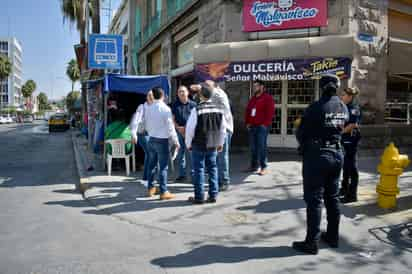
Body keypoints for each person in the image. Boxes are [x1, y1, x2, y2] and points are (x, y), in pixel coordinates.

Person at [293, 74, 349, 255]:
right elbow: (342, 127)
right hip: (337, 154)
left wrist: (304, 144)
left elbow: (301, 132)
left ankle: (312, 242)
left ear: (322, 87)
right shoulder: (343, 107)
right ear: (337, 87)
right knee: (332, 198)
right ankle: (333, 237)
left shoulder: (315, 107)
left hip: (318, 156)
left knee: (314, 200)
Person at [185, 86, 226, 204]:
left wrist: (188, 143)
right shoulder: (219, 109)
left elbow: (190, 129)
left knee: (199, 170)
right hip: (213, 143)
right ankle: (213, 195)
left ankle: (199, 196)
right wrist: (221, 142)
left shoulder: (196, 109)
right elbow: (223, 128)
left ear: (201, 95)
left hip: (199, 143)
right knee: (213, 169)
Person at [144, 87, 179, 200]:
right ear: (163, 95)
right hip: (162, 140)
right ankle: (163, 191)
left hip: (151, 138)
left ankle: (151, 188)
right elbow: (170, 127)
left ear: (153, 96)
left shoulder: (148, 108)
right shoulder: (165, 109)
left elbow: (146, 125)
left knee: (151, 165)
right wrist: (176, 141)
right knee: (163, 167)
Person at [203, 80, 234, 191]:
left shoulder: (219, 93)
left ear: (215, 86)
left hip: (224, 130)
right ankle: (218, 180)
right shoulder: (212, 95)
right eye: (204, 85)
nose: (205, 87)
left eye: (207, 85)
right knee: (216, 156)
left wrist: (199, 87)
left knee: (222, 156)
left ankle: (224, 181)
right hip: (215, 130)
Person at [244, 80, 275, 175]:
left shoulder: (267, 98)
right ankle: (254, 166)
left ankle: (263, 167)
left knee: (261, 146)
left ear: (262, 87)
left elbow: (270, 112)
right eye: (254, 86)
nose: (254, 88)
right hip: (252, 126)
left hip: (262, 126)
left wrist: (265, 124)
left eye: (256, 86)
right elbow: (248, 111)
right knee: (253, 147)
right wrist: (247, 122)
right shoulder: (253, 99)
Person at [340, 87, 361, 203]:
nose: (341, 97)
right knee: (346, 165)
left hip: (351, 138)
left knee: (351, 166)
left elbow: (352, 124)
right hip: (345, 138)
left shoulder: (354, 108)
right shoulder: (345, 106)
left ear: (350, 96)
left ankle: (352, 195)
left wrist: (340, 132)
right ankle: (344, 189)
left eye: (343, 95)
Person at [171, 86, 197, 181]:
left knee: (191, 154)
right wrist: (178, 128)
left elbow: (195, 119)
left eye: (183, 91)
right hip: (179, 131)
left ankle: (194, 175)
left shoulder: (193, 105)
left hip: (190, 132)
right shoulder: (174, 105)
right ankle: (182, 175)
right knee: (180, 154)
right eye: (179, 92)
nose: (181, 93)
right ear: (177, 94)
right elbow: (172, 118)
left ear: (187, 93)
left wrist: (186, 129)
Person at [130, 90, 154, 181]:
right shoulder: (142, 107)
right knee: (150, 153)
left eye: (152, 95)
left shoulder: (155, 107)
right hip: (143, 134)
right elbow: (135, 121)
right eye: (149, 95)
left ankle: (146, 177)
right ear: (146, 97)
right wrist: (134, 134)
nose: (151, 97)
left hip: (151, 134)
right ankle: (147, 176)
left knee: (149, 154)